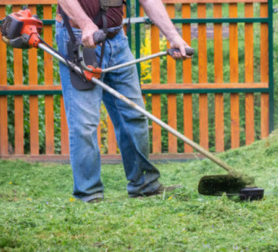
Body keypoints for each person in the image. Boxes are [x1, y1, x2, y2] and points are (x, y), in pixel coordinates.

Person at [56, 0, 191, 202]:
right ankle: (89, 194)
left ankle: (144, 185)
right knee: (84, 123)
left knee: (134, 114)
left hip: (117, 39)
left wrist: (173, 37)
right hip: (79, 39)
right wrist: (85, 24)